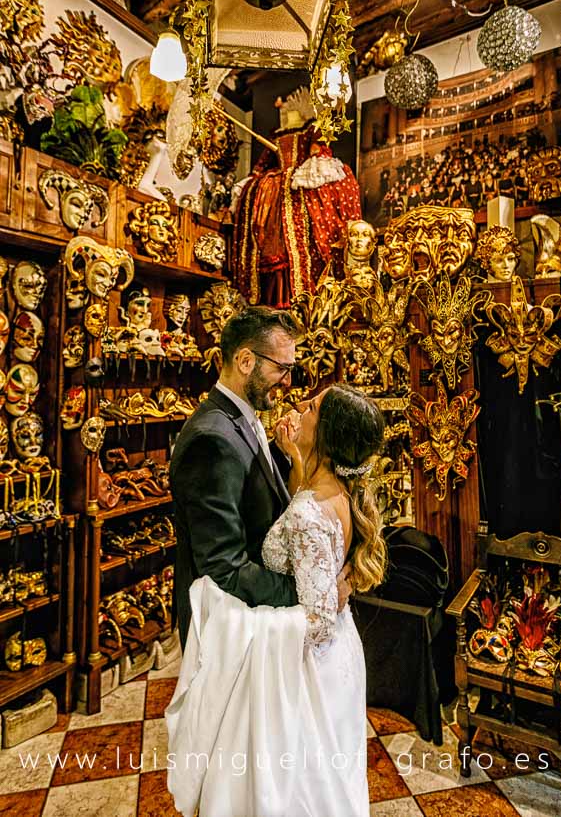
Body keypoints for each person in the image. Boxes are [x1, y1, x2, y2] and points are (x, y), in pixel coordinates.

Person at [167, 383, 386, 816]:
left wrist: (238, 622)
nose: (299, 405)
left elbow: (318, 620)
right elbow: (307, 512)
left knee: (291, 784)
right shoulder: (333, 491)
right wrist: (299, 461)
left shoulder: (309, 514)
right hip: (337, 658)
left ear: (327, 434)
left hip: (304, 673)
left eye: (312, 407)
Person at [170, 306, 304, 650]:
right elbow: (224, 567)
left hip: (248, 619)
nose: (288, 381)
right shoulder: (210, 440)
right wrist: (306, 590)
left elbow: (249, 489)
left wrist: (283, 453)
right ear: (246, 361)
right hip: (228, 631)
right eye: (281, 368)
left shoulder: (239, 418)